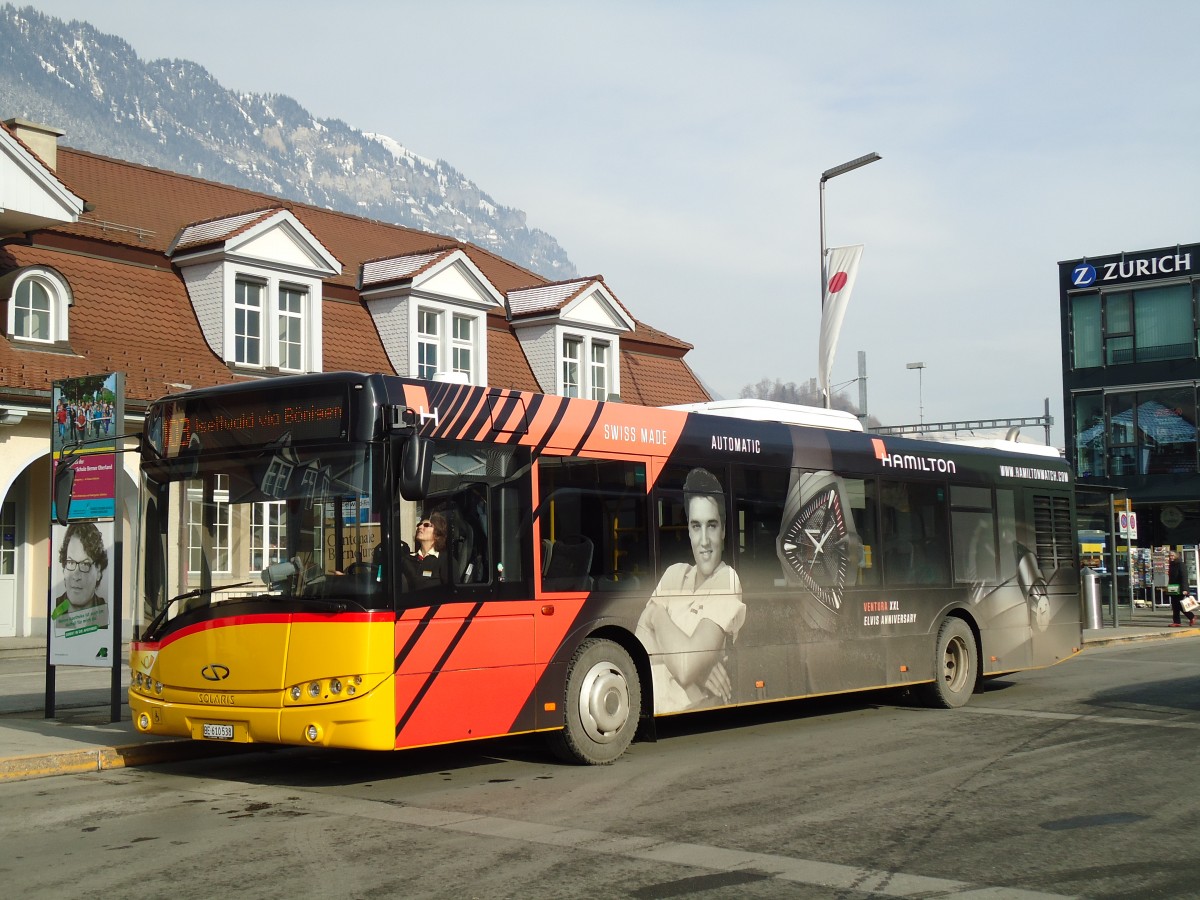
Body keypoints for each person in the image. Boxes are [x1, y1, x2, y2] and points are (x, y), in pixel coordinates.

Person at [635, 468, 744, 713]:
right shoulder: (675, 573)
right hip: (657, 709)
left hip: (692, 711)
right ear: (689, 530)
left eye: (712, 526)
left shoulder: (727, 580)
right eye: (696, 526)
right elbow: (640, 652)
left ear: (724, 530)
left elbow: (685, 667)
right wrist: (701, 668)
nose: (704, 540)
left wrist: (655, 615)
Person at [51, 521, 109, 630]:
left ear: (98, 571)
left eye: (85, 564)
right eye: (71, 563)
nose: (76, 576)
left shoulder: (107, 614)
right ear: (64, 568)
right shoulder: (54, 611)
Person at [404, 511, 449, 589]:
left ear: (437, 534)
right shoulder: (407, 559)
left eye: (426, 525)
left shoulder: (446, 561)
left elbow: (452, 594)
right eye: (419, 524)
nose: (420, 527)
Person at [1168, 550, 1195, 627]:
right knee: (1175, 605)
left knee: (1179, 604)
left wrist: (1185, 589)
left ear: (1176, 556)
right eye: (1170, 556)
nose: (1171, 557)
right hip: (1173, 588)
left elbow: (1184, 577)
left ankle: (1191, 616)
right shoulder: (1171, 564)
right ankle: (1177, 622)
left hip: (1180, 588)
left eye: (1172, 555)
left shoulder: (1180, 564)